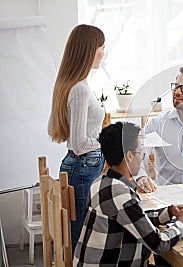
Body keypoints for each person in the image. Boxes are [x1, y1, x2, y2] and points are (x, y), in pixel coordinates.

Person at [74, 122, 183, 266]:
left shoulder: (101, 182)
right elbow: (159, 244)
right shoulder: (120, 194)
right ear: (129, 156)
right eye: (140, 152)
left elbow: (135, 219)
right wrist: (181, 223)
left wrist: (169, 212)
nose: (141, 157)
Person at [48, 24, 106, 251]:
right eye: (101, 47)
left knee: (77, 231)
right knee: (80, 235)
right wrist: (108, 139)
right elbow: (80, 144)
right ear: (89, 50)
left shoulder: (69, 85)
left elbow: (52, 128)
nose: (103, 52)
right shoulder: (80, 89)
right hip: (84, 165)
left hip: (78, 166)